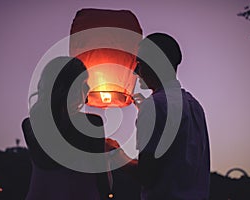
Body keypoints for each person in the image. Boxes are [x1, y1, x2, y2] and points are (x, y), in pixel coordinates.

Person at [106, 33, 210, 200]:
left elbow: (147, 175)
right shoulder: (194, 106)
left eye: (139, 63)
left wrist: (114, 154)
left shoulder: (154, 106)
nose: (135, 71)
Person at [22, 57, 110, 200]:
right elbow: (104, 183)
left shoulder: (29, 125)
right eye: (83, 83)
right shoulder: (92, 123)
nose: (88, 88)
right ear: (69, 88)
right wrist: (106, 152)